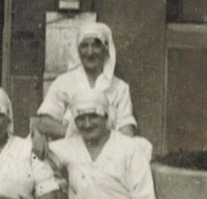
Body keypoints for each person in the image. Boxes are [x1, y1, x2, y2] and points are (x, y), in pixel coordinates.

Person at [32, 21, 136, 159]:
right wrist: (83, 134)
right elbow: (44, 122)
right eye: (84, 46)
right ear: (77, 50)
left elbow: (126, 131)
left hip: (106, 156)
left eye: (96, 45)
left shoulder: (120, 88)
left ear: (106, 48)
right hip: (69, 154)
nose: (90, 52)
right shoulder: (64, 82)